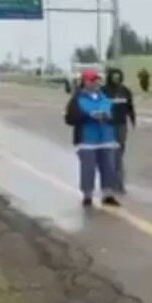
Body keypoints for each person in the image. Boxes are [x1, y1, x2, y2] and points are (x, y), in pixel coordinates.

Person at [64, 69, 121, 208]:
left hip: (106, 139)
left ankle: (108, 195)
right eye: (91, 80)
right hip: (87, 140)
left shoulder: (105, 98)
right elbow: (70, 118)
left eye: (96, 79)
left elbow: (116, 116)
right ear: (84, 81)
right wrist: (89, 116)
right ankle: (87, 195)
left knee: (108, 168)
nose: (94, 82)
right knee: (88, 169)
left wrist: (108, 117)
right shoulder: (77, 99)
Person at [102, 67, 137, 193]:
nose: (116, 79)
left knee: (119, 154)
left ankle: (117, 180)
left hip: (121, 126)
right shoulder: (104, 91)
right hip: (107, 126)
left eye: (118, 77)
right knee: (112, 154)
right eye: (114, 77)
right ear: (110, 77)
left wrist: (133, 120)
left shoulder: (125, 91)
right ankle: (116, 182)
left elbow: (130, 107)